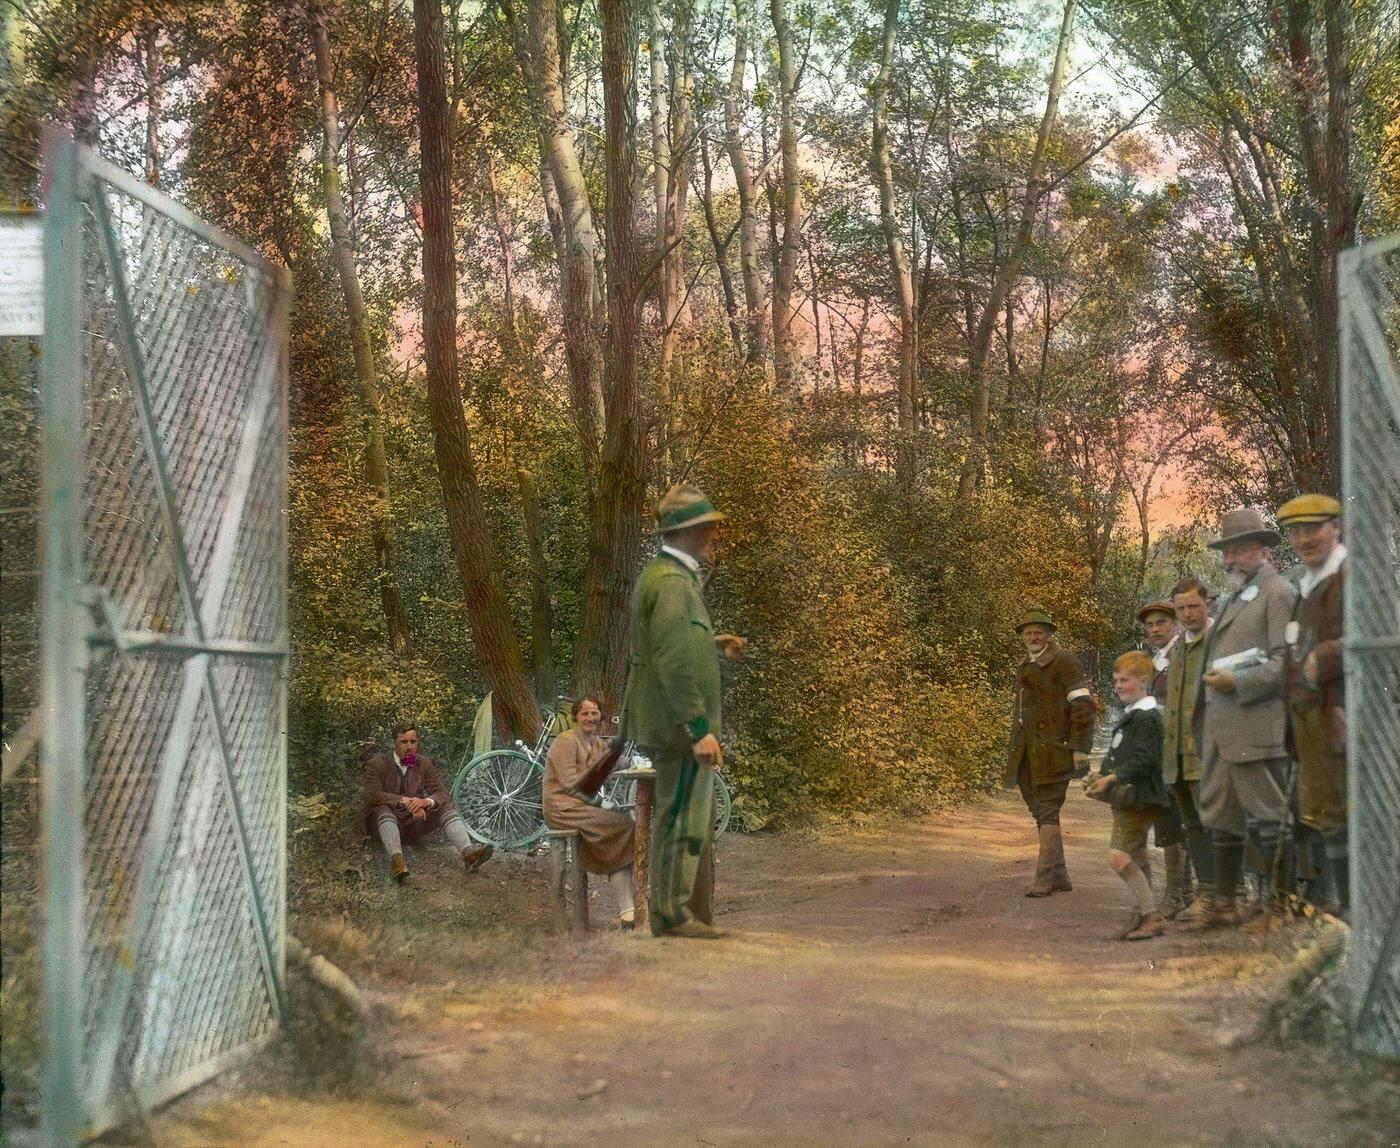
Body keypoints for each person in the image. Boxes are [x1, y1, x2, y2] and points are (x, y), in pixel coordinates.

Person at [624, 484, 744, 939]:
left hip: (669, 722)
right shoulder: (672, 583)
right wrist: (698, 729)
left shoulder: (666, 577)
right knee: (681, 819)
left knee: (688, 815)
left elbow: (672, 645)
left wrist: (713, 643)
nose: (714, 537)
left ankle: (681, 912)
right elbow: (672, 662)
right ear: (689, 533)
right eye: (709, 530)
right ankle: (672, 916)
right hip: (680, 727)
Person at [1185, 508, 1298, 932]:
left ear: (1265, 550)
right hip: (1221, 730)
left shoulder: (1278, 593)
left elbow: (1285, 664)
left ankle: (1280, 908)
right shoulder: (1236, 595)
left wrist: (1236, 680)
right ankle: (1224, 904)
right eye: (1228, 550)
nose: (1233, 558)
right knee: (1222, 816)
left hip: (1255, 725)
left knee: (1270, 816)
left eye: (1243, 548)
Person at [1277, 493, 1349, 915]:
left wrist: (1325, 656)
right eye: (1297, 531)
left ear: (1336, 527)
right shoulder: (1305, 585)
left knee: (1352, 813)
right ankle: (1341, 912)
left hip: (1344, 712)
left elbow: (1377, 634)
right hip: (1309, 719)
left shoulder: (1352, 575)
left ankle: (1363, 917)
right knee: (1325, 815)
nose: (1305, 539)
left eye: (1314, 528)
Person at [1005, 609, 1096, 898]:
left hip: (1053, 750)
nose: (1034, 636)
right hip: (1026, 751)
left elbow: (1083, 705)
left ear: (1049, 634)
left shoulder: (1064, 661)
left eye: (1039, 631)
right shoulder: (1026, 664)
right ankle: (1059, 874)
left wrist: (1079, 747)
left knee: (1046, 809)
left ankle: (1044, 877)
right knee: (1039, 809)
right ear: (1022, 636)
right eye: (1028, 632)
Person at [1087, 652, 1172, 940]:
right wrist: (1101, 775)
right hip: (1129, 798)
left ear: (1143, 681)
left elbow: (1146, 758)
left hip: (1141, 797)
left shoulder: (1148, 717)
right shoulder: (1134, 715)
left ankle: (1151, 915)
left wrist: (1112, 777)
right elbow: (1121, 754)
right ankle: (1141, 912)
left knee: (1118, 857)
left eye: (1125, 680)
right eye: (1116, 681)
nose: (1118, 686)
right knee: (1137, 854)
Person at [543, 694, 638, 927]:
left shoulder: (595, 742)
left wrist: (634, 761)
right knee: (622, 825)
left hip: (581, 807)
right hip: (562, 806)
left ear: (600, 717)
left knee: (624, 826)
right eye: (584, 713)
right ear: (576, 716)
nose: (590, 718)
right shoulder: (566, 741)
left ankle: (629, 913)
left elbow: (612, 760)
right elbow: (569, 783)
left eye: (594, 713)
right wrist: (598, 802)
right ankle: (628, 909)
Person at [356, 723, 492, 884]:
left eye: (413, 742)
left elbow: (442, 794)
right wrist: (403, 800)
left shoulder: (423, 763)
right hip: (384, 825)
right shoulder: (378, 763)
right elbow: (372, 795)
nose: (409, 747)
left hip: (413, 823)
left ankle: (469, 854)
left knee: (445, 806)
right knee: (382, 809)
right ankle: (396, 861)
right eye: (404, 742)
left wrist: (425, 802)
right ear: (394, 742)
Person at [1160, 576, 1217, 925]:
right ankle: (1205, 893)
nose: (1187, 613)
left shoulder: (1217, 642)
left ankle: (1221, 896)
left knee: (1213, 823)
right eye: (1181, 608)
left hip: (1206, 750)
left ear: (1207, 605)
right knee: (1192, 825)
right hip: (1178, 754)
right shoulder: (1179, 647)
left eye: (1193, 606)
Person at [1136, 598, 1187, 916]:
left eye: (1161, 623)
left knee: (1179, 818)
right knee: (1167, 818)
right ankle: (1180, 891)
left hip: (1180, 748)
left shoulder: (1182, 655)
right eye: (1150, 625)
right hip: (1158, 751)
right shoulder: (1153, 661)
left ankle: (1179, 893)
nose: (1155, 629)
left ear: (1176, 624)